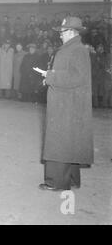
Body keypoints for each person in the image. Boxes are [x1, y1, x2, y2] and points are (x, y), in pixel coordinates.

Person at [38, 16, 93, 191]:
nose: (60, 36)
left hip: (66, 104)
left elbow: (77, 77)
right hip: (68, 102)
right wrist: (50, 76)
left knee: (59, 142)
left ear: (70, 32)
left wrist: (51, 76)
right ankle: (71, 179)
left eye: (61, 32)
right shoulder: (74, 48)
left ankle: (57, 182)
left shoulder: (76, 50)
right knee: (70, 142)